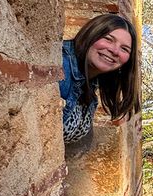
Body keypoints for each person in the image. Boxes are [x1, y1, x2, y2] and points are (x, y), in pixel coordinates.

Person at [59, 13, 140, 143]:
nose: (114, 50)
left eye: (124, 49)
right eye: (108, 39)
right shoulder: (61, 67)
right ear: (91, 34)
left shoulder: (92, 80)